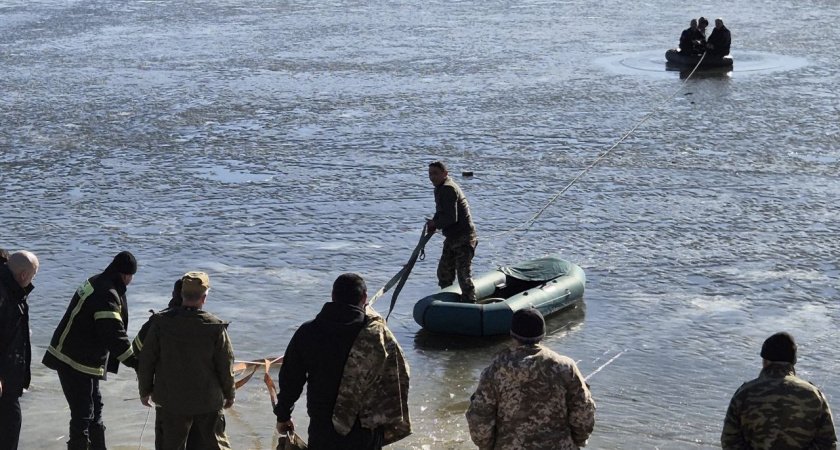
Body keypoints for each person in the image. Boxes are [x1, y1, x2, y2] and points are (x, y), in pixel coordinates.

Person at [275, 273, 411, 450]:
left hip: (323, 428)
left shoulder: (309, 332)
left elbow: (290, 379)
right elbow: (397, 380)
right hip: (365, 429)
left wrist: (283, 415)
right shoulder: (378, 336)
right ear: (364, 299)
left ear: (333, 296)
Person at [42, 251, 140, 450]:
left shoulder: (98, 281)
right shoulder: (107, 293)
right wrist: (138, 364)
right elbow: (114, 336)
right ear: (127, 276)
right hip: (75, 360)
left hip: (81, 358)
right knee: (83, 413)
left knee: (94, 408)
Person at [466, 308, 596, 450]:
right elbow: (583, 412)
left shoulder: (494, 371)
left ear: (512, 334)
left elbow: (479, 417)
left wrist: (488, 446)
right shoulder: (565, 367)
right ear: (543, 334)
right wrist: (576, 440)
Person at [137, 272, 235, 450]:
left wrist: (145, 390)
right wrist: (230, 394)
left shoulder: (161, 323)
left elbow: (146, 360)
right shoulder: (214, 327)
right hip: (207, 402)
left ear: (181, 295)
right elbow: (225, 365)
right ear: (204, 298)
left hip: (170, 401)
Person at [721, 332, 837, 449]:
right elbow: (828, 443)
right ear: (793, 361)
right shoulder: (813, 395)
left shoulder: (745, 393)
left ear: (765, 360)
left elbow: (729, 442)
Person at [132, 278, 204, 450]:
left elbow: (138, 351)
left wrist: (145, 388)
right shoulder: (208, 323)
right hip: (201, 400)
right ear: (202, 297)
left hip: (167, 397)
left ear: (175, 294)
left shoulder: (158, 321)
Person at [0, 251, 39, 450]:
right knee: (9, 426)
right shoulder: (5, 293)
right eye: (33, 275)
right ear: (23, 274)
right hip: (4, 378)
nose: (33, 280)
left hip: (10, 376)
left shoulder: (13, 289)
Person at [425, 161, 478, 303]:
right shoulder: (439, 187)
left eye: (435, 173)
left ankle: (470, 303)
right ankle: (447, 301)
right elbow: (441, 212)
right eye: (430, 174)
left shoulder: (448, 188)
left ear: (445, 173)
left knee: (463, 274)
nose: (432, 177)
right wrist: (434, 221)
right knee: (444, 273)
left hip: (464, 237)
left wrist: (435, 224)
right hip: (452, 237)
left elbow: (451, 218)